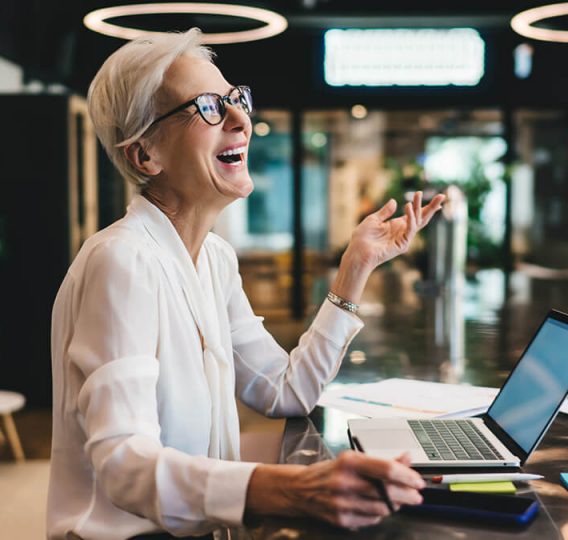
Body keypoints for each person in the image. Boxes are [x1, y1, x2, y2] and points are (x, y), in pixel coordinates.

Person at [47, 28, 445, 540]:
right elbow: (123, 463)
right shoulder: (121, 261)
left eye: (236, 99)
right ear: (145, 155)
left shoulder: (213, 258)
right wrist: (293, 489)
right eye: (208, 107)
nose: (242, 120)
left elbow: (286, 390)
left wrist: (357, 265)